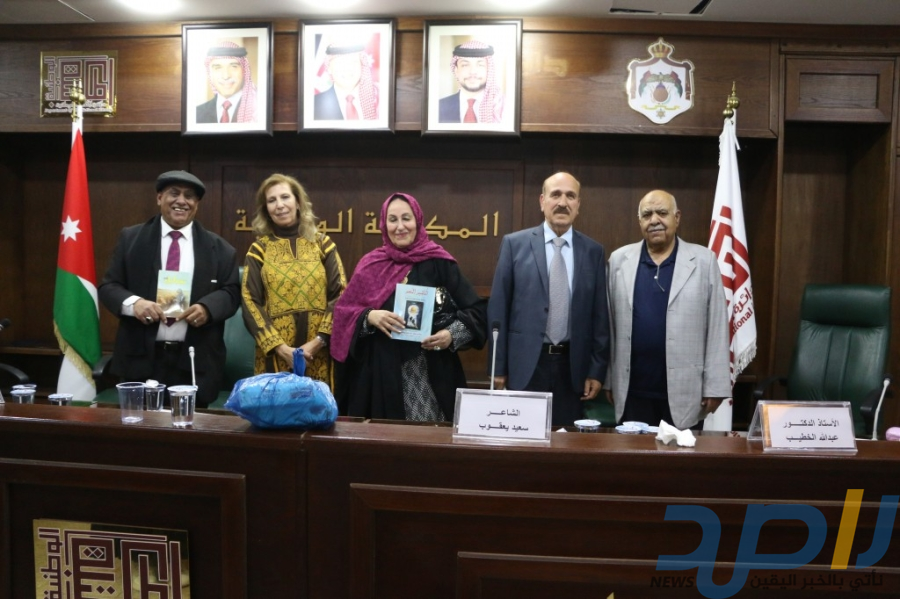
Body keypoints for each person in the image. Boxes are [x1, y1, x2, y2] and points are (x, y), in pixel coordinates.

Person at [332, 193, 487, 421]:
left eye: (406, 218)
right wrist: (369, 316)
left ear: (418, 220)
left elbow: (477, 311)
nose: (400, 226)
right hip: (381, 377)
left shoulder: (439, 262)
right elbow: (343, 315)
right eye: (392, 220)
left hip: (431, 373)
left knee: (430, 440)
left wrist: (450, 335)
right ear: (383, 225)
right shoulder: (370, 265)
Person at [98, 170, 241, 408]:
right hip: (140, 359)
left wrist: (207, 308)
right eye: (174, 193)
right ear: (159, 198)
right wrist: (135, 304)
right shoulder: (131, 239)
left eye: (189, 196)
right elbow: (109, 286)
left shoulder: (221, 249)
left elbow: (232, 292)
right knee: (140, 427)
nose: (181, 201)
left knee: (189, 428)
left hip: (194, 361)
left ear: (196, 204)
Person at [487, 172, 610, 427]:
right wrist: (497, 367)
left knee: (566, 442)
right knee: (523, 439)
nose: (563, 202)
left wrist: (596, 371)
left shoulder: (593, 252)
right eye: (556, 195)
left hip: (572, 368)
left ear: (578, 205)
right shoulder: (514, 245)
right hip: (525, 365)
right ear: (542, 201)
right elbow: (498, 309)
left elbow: (600, 317)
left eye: (570, 196)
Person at [607, 189, 731, 430]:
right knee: (632, 454)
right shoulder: (618, 261)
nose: (654, 220)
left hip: (686, 393)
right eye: (647, 215)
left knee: (680, 455)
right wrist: (609, 380)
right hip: (631, 391)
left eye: (662, 213)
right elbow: (609, 327)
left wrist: (715, 386)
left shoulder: (704, 261)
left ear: (677, 217)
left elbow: (717, 327)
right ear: (639, 221)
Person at [241, 174, 347, 388]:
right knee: (275, 407)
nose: (279, 205)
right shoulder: (259, 250)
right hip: (276, 356)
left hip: (318, 354)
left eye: (285, 197)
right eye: (272, 200)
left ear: (298, 202)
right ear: (266, 210)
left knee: (316, 407)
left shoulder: (323, 244)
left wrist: (318, 341)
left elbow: (340, 295)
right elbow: (249, 301)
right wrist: (280, 348)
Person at [438, 40, 504, 124]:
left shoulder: (503, 107)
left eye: (480, 65)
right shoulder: (439, 107)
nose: (473, 72)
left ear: (489, 70)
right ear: (456, 71)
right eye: (465, 65)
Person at [313, 42, 379, 121]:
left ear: (361, 64)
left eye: (353, 62)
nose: (348, 69)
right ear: (329, 68)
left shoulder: (379, 99)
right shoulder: (313, 105)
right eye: (340, 63)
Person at [196, 40, 257, 124]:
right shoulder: (197, 113)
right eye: (218, 68)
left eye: (234, 66)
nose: (226, 76)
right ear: (210, 73)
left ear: (244, 70)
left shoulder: (257, 111)